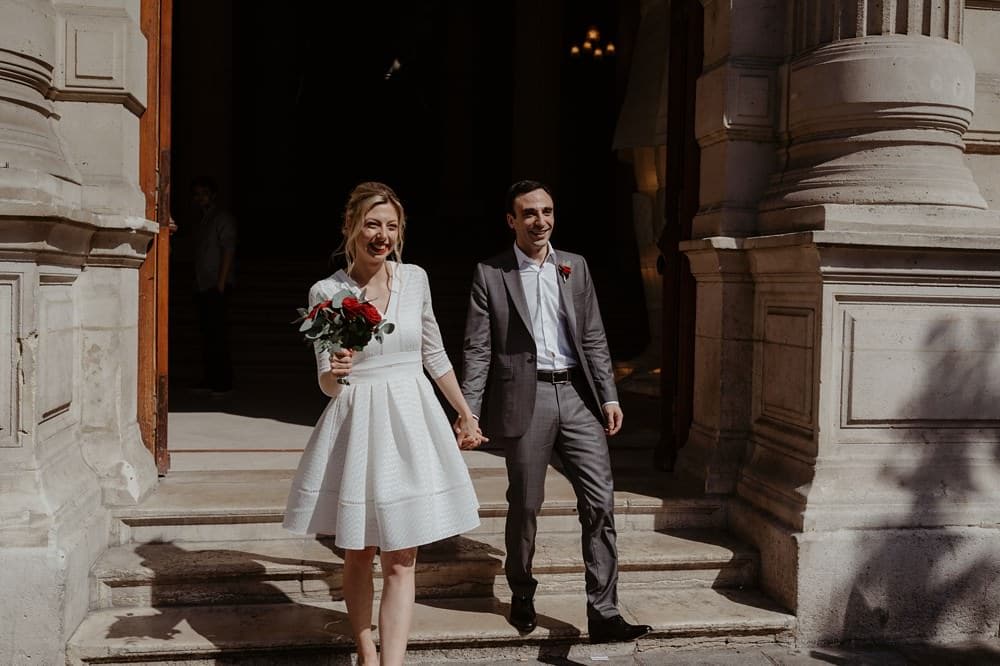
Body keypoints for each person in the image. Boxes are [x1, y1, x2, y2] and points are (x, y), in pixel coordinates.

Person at [283, 182, 484, 666]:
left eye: (392, 226)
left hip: (412, 420)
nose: (383, 235)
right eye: (373, 224)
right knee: (359, 550)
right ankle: (367, 651)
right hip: (359, 424)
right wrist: (336, 370)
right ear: (351, 227)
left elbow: (433, 352)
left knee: (402, 555)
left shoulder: (415, 279)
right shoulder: (327, 291)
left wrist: (463, 410)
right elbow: (327, 384)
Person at [459, 180, 652, 643]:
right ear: (512, 220)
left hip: (579, 397)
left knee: (600, 502)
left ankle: (603, 612)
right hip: (527, 400)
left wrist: (609, 395)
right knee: (526, 504)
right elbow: (478, 349)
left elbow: (593, 335)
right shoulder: (491, 273)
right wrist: (469, 412)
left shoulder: (574, 266)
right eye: (529, 213)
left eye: (546, 211)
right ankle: (522, 591)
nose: (540, 221)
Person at [190, 176, 236, 396]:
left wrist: (220, 284)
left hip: (217, 285)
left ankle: (223, 382)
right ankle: (209, 378)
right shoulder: (202, 220)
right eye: (197, 195)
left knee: (218, 334)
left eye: (204, 194)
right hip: (203, 283)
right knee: (207, 334)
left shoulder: (222, 219)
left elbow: (228, 250)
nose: (200, 198)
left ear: (213, 195)